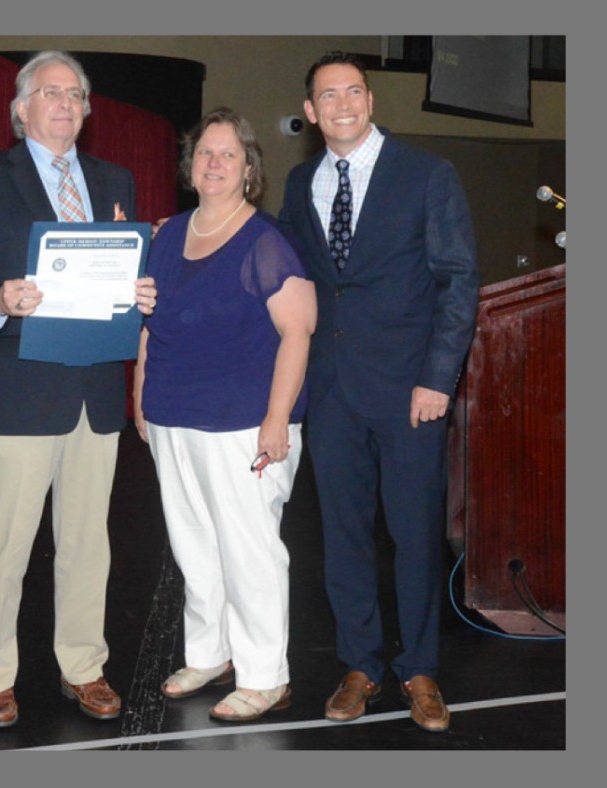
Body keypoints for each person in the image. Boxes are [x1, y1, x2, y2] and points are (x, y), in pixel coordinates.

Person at [0, 50, 157, 728]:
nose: (65, 104)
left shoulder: (112, 176)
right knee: (4, 547)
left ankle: (83, 666)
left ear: (88, 111)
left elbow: (120, 275)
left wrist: (140, 291)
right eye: (50, 93)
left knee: (90, 542)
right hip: (15, 391)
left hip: (94, 390)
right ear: (21, 108)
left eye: (76, 95)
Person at [279, 51, 479, 733]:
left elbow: (457, 281)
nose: (342, 104)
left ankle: (420, 668)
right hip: (331, 393)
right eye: (327, 95)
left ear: (370, 99)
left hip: (409, 394)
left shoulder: (427, 175)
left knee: (416, 534)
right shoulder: (301, 182)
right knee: (341, 537)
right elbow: (283, 273)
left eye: (354, 91)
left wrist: (437, 378)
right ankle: (360, 663)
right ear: (310, 112)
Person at [133, 108, 317, 723]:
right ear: (191, 166)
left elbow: (298, 334)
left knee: (249, 549)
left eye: (227, 154)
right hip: (172, 417)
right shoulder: (168, 234)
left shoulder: (267, 242)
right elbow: (149, 323)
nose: (214, 163)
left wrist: (277, 418)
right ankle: (210, 654)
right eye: (205, 153)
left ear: (248, 170)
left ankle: (265, 675)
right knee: (193, 545)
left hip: (244, 423)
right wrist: (139, 392)